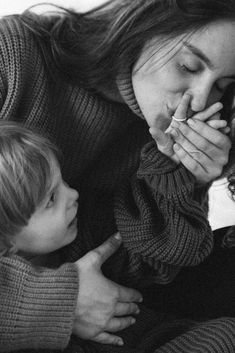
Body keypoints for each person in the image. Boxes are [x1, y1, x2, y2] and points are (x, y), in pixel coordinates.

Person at [1, 0, 235, 352]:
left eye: (222, 86)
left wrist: (184, 178)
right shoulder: (14, 58)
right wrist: (59, 303)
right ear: (143, 28)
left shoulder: (167, 137)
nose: (200, 101)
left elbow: (147, 269)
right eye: (187, 65)